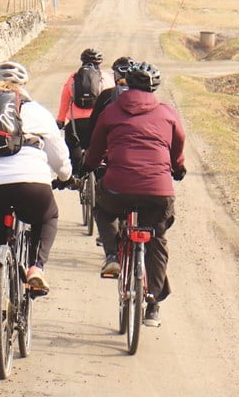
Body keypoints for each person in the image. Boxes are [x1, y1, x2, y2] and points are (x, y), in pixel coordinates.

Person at [0, 61, 72, 347]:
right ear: (23, 87)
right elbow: (57, 152)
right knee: (47, 217)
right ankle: (35, 267)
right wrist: (65, 175)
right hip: (30, 184)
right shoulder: (36, 112)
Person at [83, 61, 186, 328]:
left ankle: (113, 257)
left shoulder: (112, 111)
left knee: (104, 212)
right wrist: (178, 167)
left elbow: (95, 149)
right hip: (158, 191)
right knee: (157, 238)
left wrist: (89, 166)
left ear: (126, 83)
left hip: (118, 186)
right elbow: (178, 146)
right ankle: (152, 304)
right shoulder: (168, 113)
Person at [56, 47, 111, 175]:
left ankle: (75, 175)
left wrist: (60, 120)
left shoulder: (74, 77)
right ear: (100, 63)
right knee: (105, 146)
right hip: (98, 123)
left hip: (77, 124)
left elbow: (65, 99)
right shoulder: (105, 78)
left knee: (72, 143)